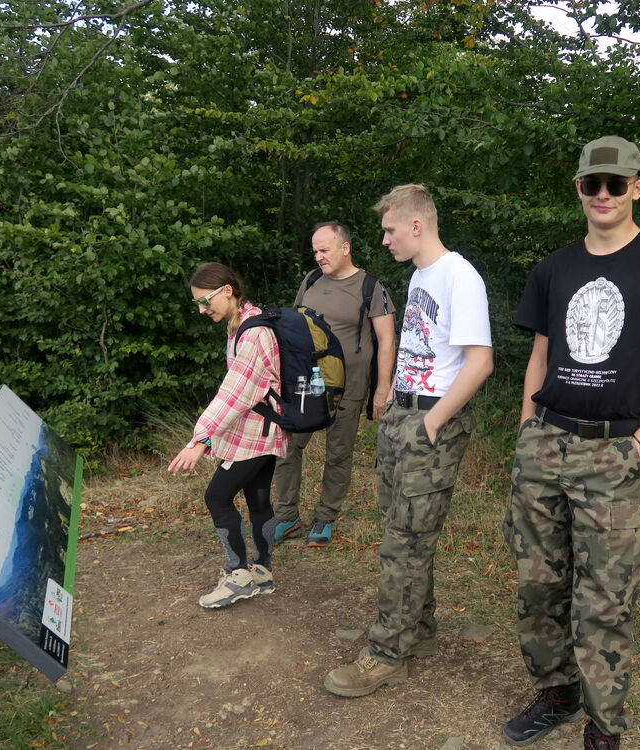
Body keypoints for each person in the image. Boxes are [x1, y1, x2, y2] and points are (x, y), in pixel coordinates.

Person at [501, 137, 640, 749]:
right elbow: (541, 355)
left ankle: (604, 725)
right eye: (591, 184)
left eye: (615, 184)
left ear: (636, 188)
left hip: (613, 451)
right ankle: (557, 691)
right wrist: (525, 432)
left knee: (606, 597)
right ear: (578, 189)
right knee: (538, 583)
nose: (603, 194)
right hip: (545, 443)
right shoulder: (555, 268)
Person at [324, 184, 493, 697]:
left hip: (430, 421)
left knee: (405, 541)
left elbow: (480, 361)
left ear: (416, 226)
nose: (384, 240)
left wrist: (432, 422)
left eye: (390, 230)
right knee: (402, 531)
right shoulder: (421, 274)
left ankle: (385, 655)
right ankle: (418, 628)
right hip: (403, 413)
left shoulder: (460, 277)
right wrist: (395, 403)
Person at [168, 262, 288, 609]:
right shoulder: (241, 325)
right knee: (258, 500)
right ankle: (262, 573)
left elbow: (233, 394)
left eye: (205, 301)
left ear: (227, 291)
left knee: (217, 497)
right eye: (197, 303)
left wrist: (200, 439)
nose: (202, 309)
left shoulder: (253, 333)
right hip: (262, 430)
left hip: (257, 434)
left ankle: (239, 576)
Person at [272, 221, 397, 547]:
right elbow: (295, 326)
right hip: (307, 385)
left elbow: (387, 341)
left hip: (349, 388)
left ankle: (325, 518)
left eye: (324, 250)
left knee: (338, 454)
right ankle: (286, 517)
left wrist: (382, 388)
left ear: (345, 248)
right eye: (315, 251)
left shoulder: (370, 287)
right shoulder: (312, 280)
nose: (318, 257)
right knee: (287, 447)